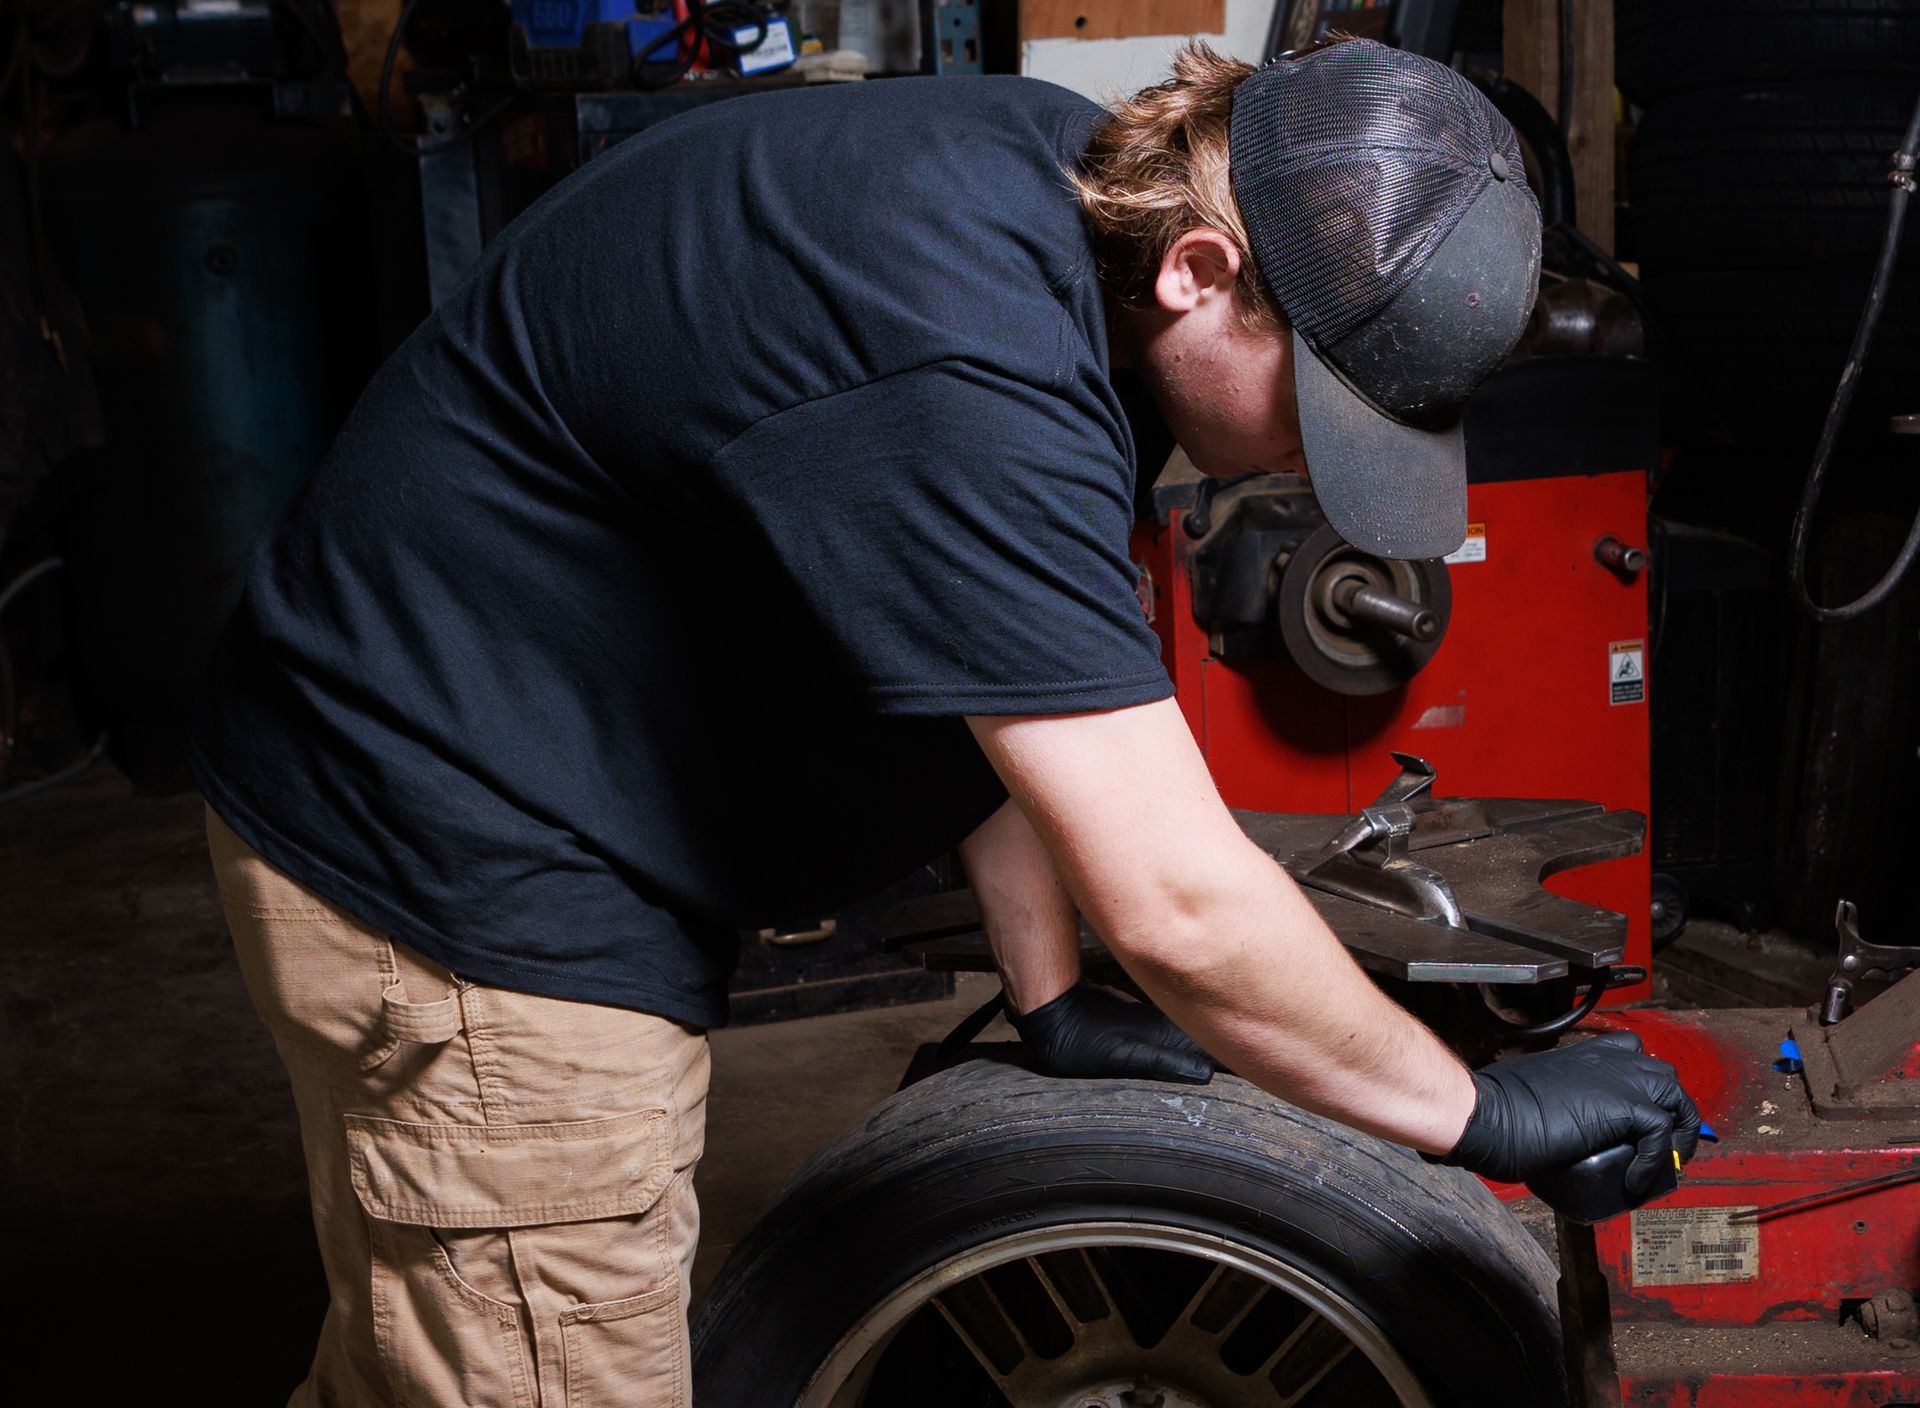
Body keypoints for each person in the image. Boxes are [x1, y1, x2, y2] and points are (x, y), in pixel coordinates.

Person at [193, 37, 1699, 1407]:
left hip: (471, 754)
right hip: (456, 852)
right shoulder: (963, 350)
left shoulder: (1062, 194)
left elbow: (981, 663)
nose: (1318, 459)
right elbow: (1176, 901)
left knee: (423, 1356)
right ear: (1198, 269)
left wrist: (1051, 1000)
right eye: (1324, 406)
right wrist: (1472, 1112)